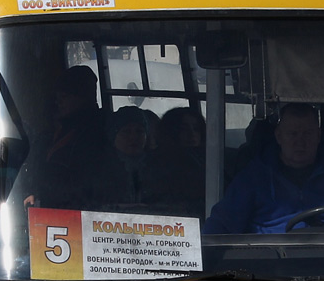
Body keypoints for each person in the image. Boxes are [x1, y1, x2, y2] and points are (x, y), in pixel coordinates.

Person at [204, 103, 324, 234]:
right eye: (293, 134)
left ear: (319, 135)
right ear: (278, 136)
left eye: (307, 133)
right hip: (270, 266)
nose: (300, 141)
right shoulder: (254, 176)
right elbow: (222, 224)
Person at [24, 65, 120, 210]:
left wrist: (46, 191)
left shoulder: (95, 131)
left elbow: (84, 182)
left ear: (82, 98)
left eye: (64, 97)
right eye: (57, 98)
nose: (59, 103)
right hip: (50, 209)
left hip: (77, 212)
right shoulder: (58, 129)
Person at [142, 106, 206, 216]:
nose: (192, 134)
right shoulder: (158, 163)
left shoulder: (211, 158)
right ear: (171, 131)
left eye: (196, 128)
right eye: (183, 129)